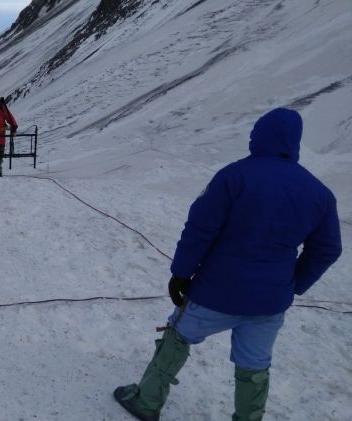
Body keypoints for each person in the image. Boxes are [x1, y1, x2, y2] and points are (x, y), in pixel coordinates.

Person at [113, 108, 342, 421]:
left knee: (177, 336)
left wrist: (180, 274)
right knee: (255, 364)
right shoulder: (320, 194)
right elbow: (328, 249)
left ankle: (146, 401)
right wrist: (295, 283)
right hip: (270, 303)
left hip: (215, 292)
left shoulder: (234, 176)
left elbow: (200, 230)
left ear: (260, 135)